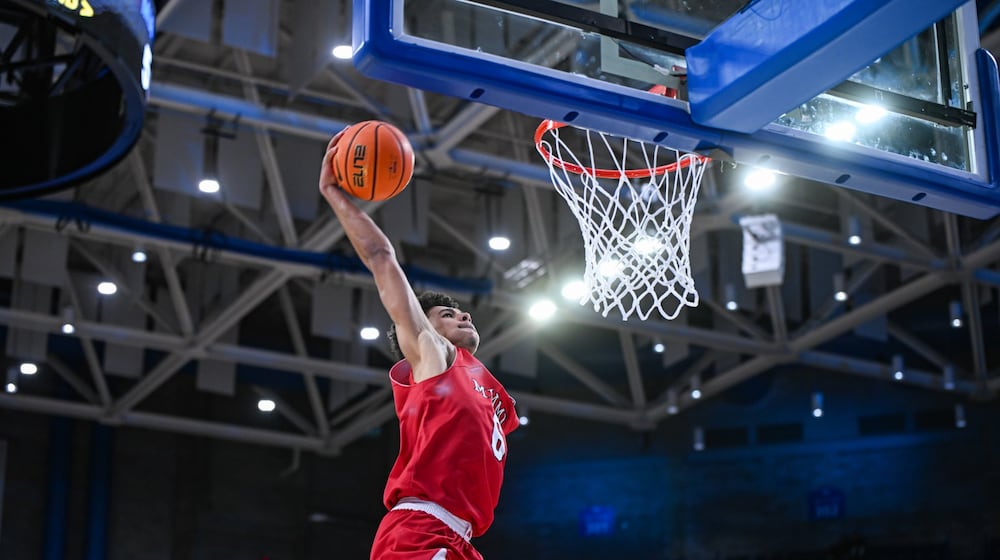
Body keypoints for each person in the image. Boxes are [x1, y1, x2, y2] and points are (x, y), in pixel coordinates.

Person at [318, 131, 519, 560]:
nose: (463, 315)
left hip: (460, 539)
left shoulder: (484, 387)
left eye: (461, 312)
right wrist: (335, 194)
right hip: (420, 529)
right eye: (446, 315)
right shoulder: (436, 357)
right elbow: (380, 257)